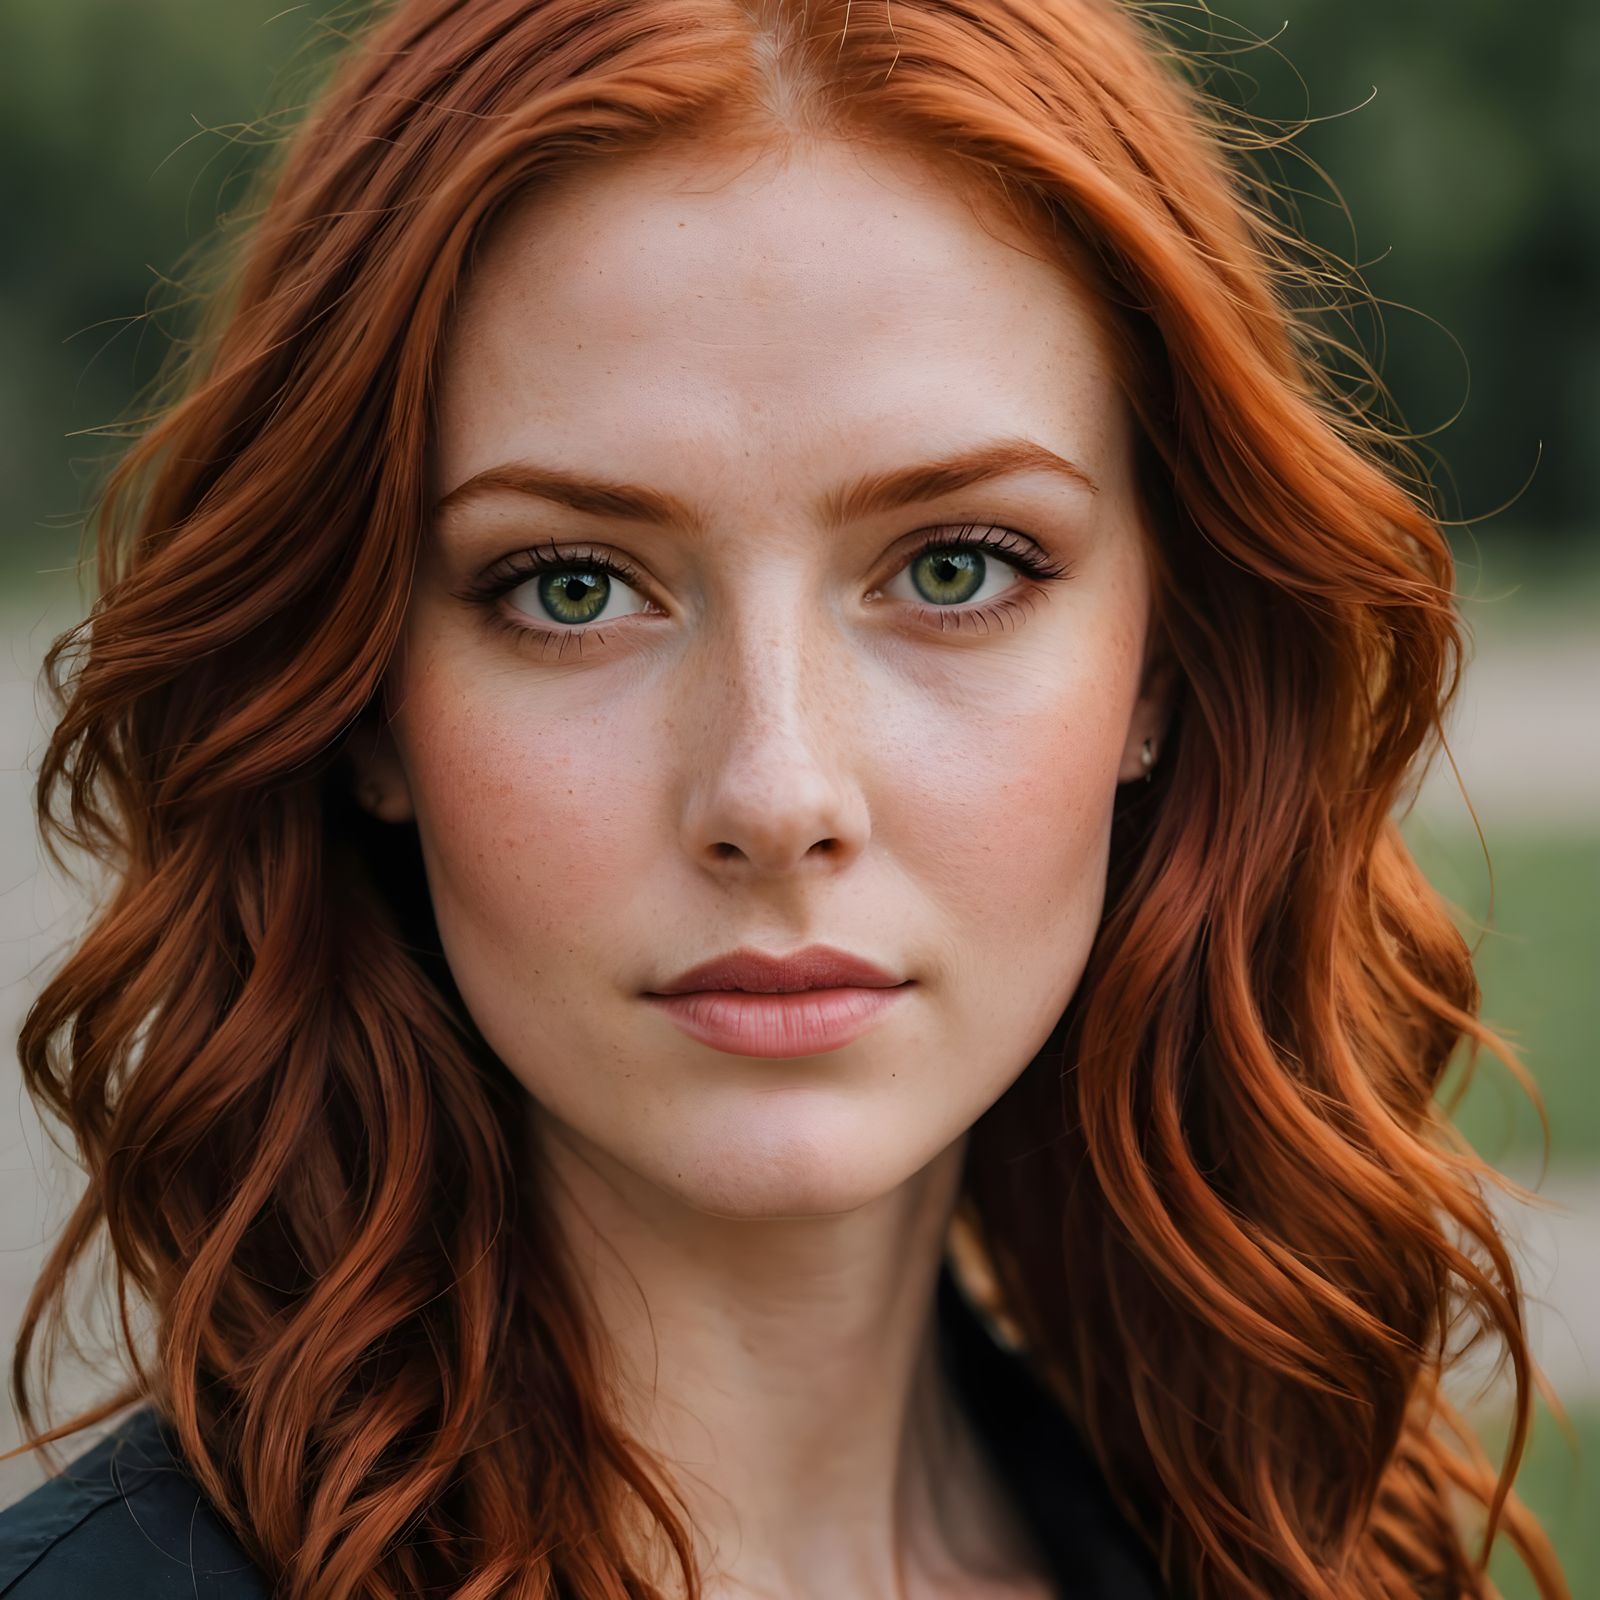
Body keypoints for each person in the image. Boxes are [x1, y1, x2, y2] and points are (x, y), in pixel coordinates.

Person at [0, 1, 1573, 1597]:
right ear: (363, 707)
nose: (776, 790)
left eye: (955, 567)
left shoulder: (1291, 1553)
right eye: (569, 588)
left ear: (1164, 664)